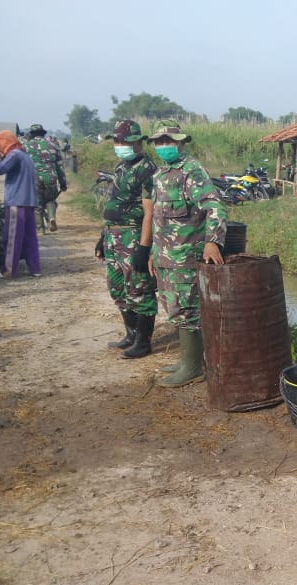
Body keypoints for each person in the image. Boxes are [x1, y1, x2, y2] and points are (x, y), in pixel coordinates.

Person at [147, 119, 227, 387]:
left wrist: (212, 242)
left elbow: (214, 206)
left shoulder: (191, 171)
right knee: (173, 307)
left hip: (185, 257)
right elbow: (159, 219)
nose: (164, 146)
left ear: (180, 143)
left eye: (169, 141)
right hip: (165, 257)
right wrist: (153, 253)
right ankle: (187, 360)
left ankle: (194, 367)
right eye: (159, 142)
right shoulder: (160, 174)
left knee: (187, 310)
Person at [96, 120, 159, 359]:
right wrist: (102, 237)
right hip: (113, 234)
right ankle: (131, 334)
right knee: (117, 288)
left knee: (139, 289)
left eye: (124, 141)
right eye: (117, 140)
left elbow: (150, 212)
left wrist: (144, 247)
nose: (119, 145)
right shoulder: (122, 166)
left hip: (133, 234)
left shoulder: (147, 169)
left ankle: (143, 342)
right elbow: (114, 201)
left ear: (137, 142)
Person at [0, 130, 41, 278]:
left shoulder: (14, 155)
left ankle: (8, 270)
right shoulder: (24, 155)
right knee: (29, 238)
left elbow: (0, 169)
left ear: (5, 141)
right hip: (29, 201)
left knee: (12, 238)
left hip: (16, 201)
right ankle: (35, 269)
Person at [22, 124, 67, 233]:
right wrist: (63, 183)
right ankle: (51, 218)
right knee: (50, 200)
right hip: (51, 177)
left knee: (37, 203)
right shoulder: (53, 146)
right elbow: (59, 167)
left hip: (34, 178)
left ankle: (41, 228)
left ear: (32, 134)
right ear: (43, 133)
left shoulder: (25, 147)